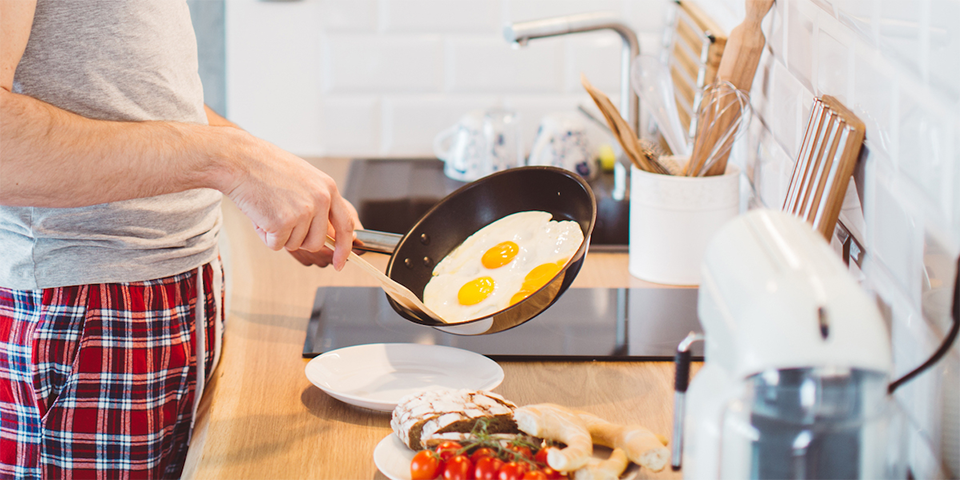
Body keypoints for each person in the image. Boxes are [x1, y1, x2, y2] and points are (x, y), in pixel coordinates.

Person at [0, 1, 360, 477]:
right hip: (86, 313)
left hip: (178, 294)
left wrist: (268, 172)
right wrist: (232, 162)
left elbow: (140, 95)